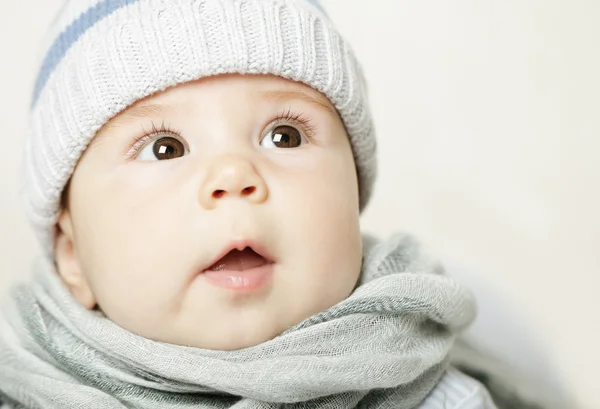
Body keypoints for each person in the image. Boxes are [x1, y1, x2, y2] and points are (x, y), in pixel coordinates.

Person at [0, 0, 498, 407]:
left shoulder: (436, 394)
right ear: (71, 254)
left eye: (284, 136)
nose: (234, 175)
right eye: (165, 147)